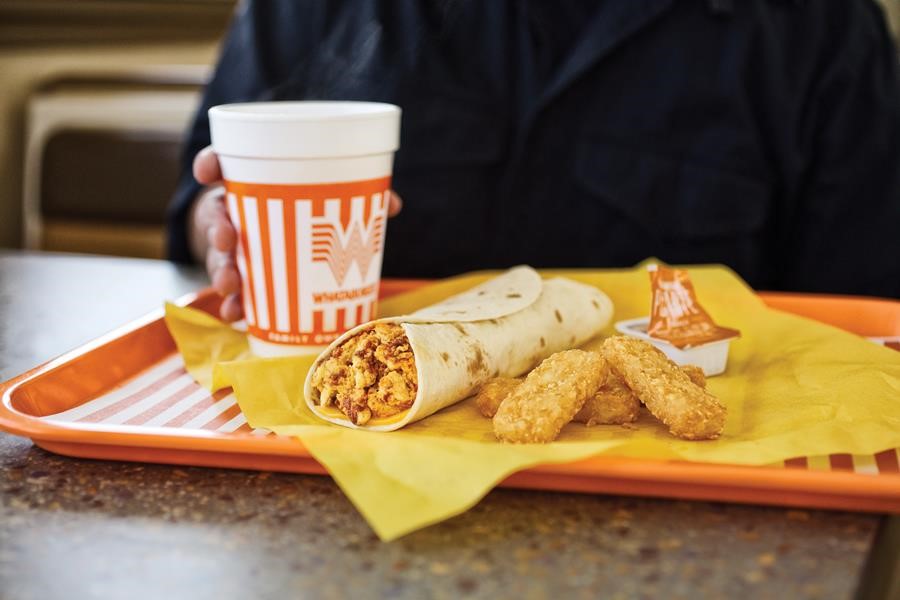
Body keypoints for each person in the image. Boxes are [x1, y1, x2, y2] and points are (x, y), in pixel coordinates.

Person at [168, 0, 900, 321]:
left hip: (698, 485)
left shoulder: (819, 33)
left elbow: (865, 317)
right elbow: (196, 212)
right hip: (334, 441)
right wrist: (227, 225)